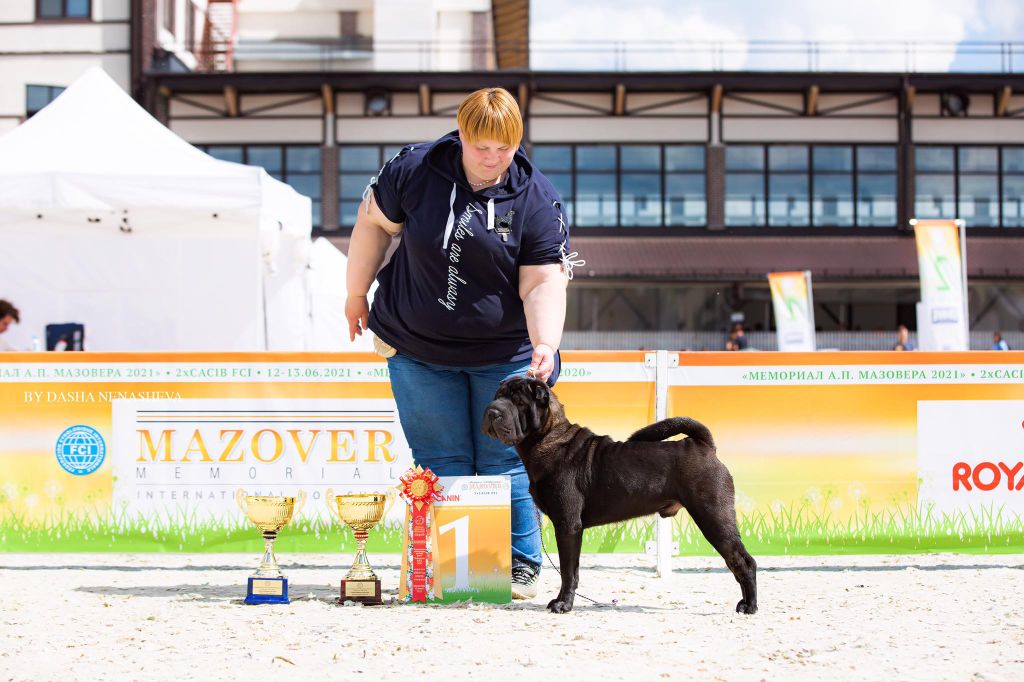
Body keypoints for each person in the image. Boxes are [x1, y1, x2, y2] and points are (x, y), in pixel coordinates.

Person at [345, 87, 581, 600]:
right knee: (439, 458)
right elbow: (373, 226)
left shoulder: (536, 198)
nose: (493, 158)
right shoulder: (414, 169)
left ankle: (519, 564)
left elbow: (542, 280)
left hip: (505, 354)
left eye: (505, 148)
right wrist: (355, 292)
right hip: (415, 346)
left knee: (506, 459)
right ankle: (445, 564)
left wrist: (546, 342)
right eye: (482, 146)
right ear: (461, 134)